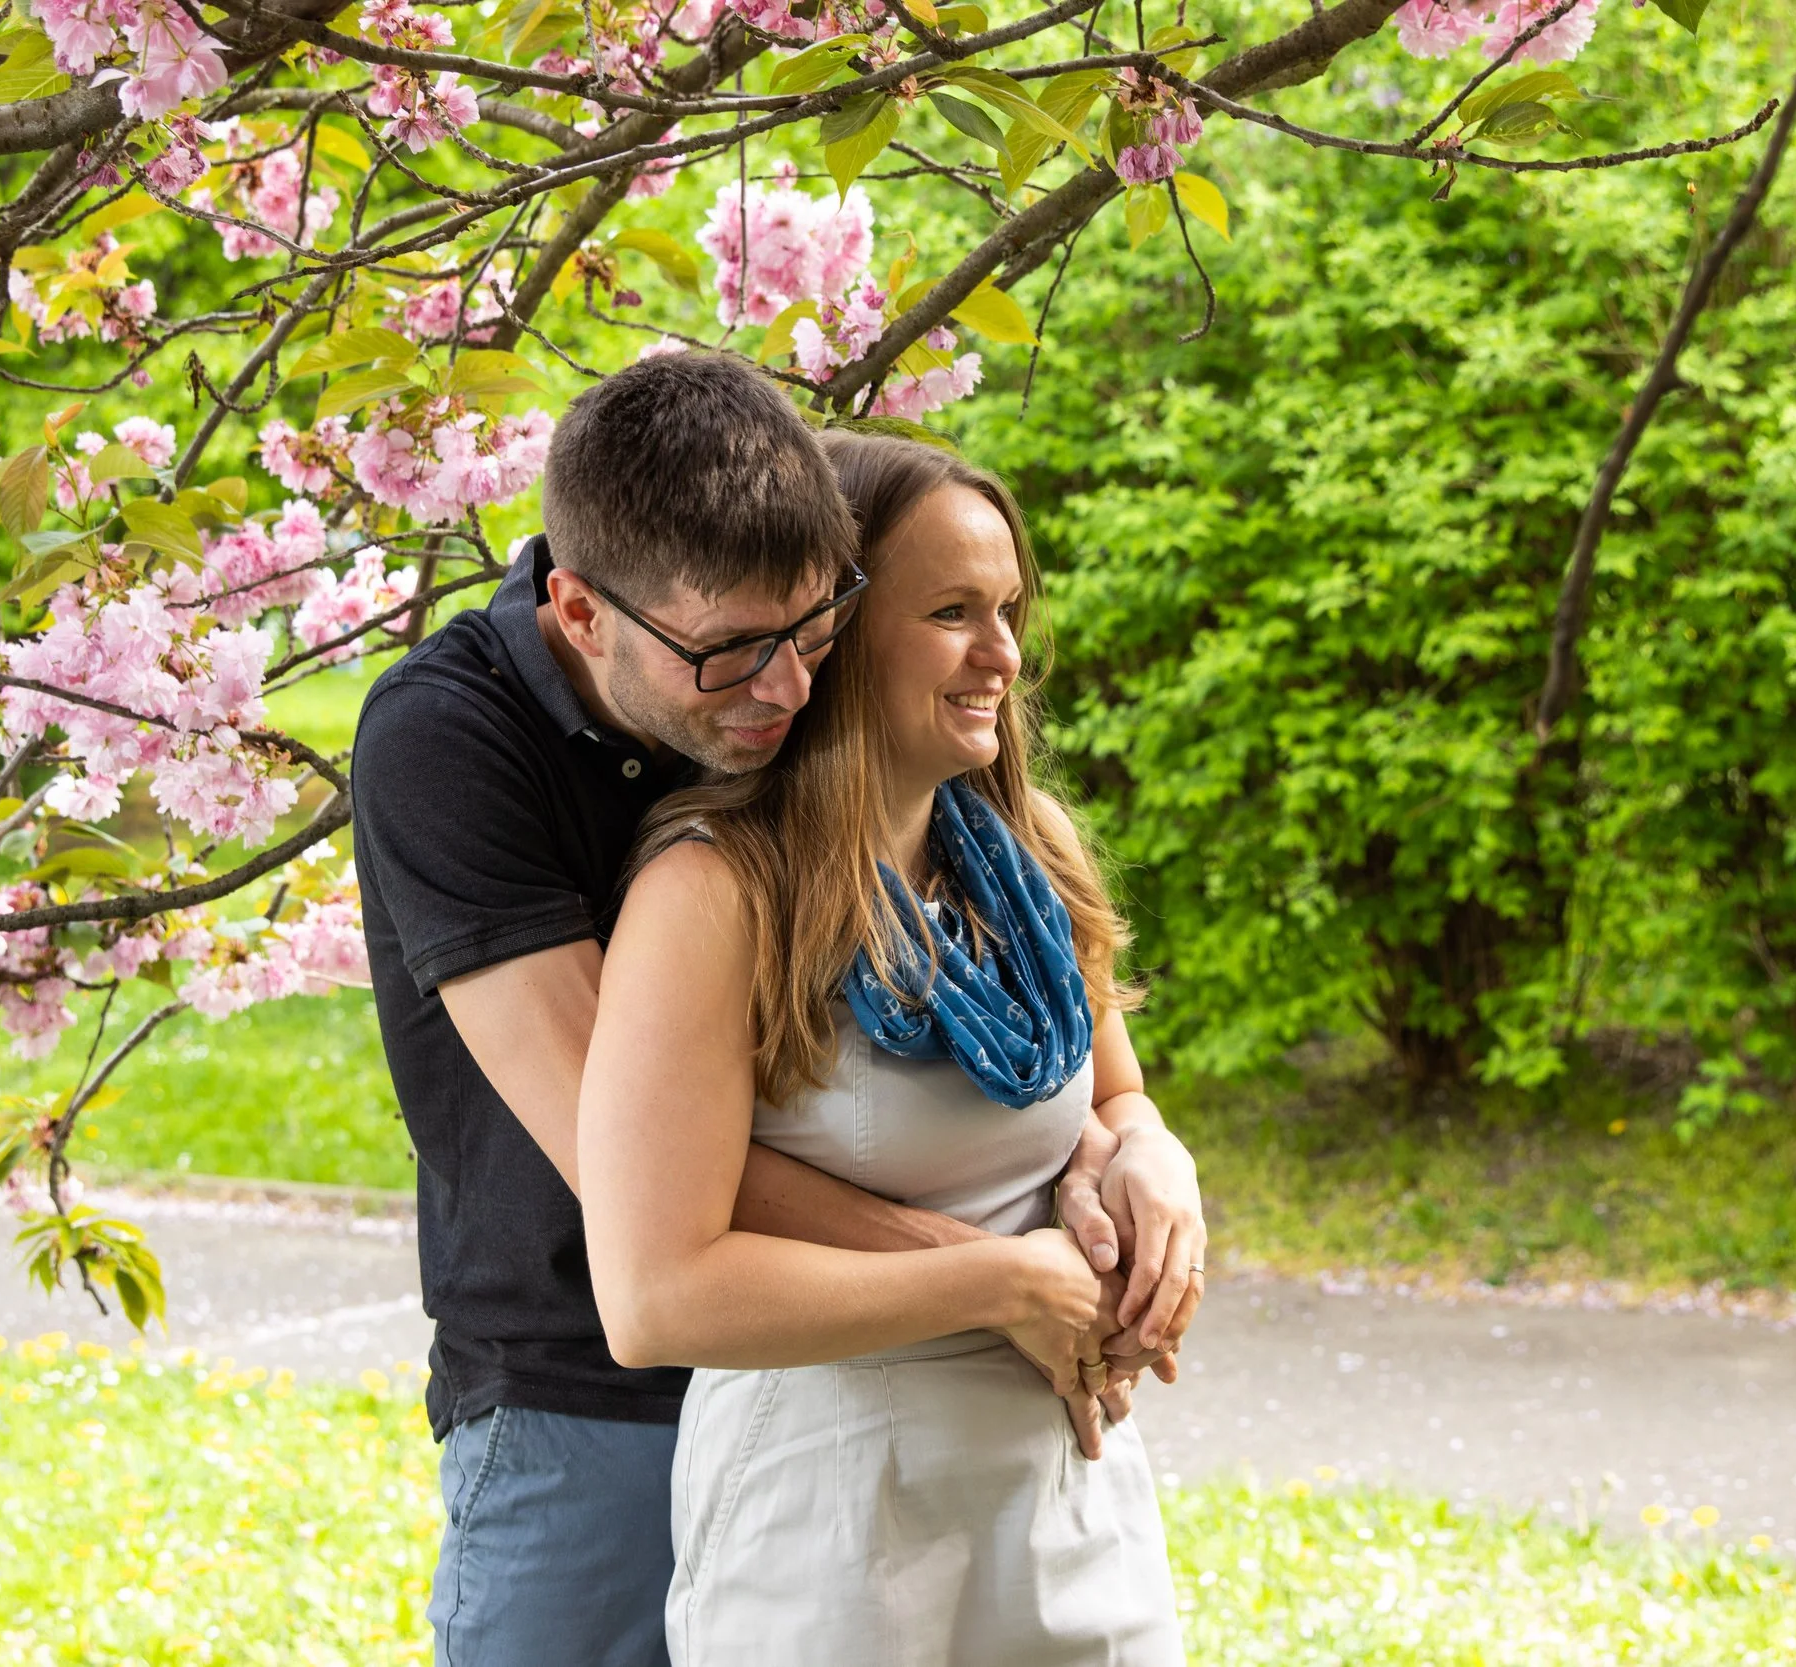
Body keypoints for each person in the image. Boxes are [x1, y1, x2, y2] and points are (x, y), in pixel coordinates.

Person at [350, 356, 1199, 1667]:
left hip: (938, 1420)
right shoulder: (459, 746)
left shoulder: (944, 821)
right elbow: (621, 1158)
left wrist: (1120, 1142)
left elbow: (1062, 1082)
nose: (788, 692)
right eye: (733, 656)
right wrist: (998, 1275)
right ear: (581, 611)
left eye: (812, 633)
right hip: (585, 1391)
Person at [579, 430, 1204, 1665]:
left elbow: (1115, 1091)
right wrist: (1005, 1278)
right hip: (835, 1528)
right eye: (952, 611)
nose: (1003, 654)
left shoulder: (1025, 855)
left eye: (1008, 609)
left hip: (1068, 1499)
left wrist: (1151, 1154)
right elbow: (655, 1296)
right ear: (836, 630)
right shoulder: (715, 894)